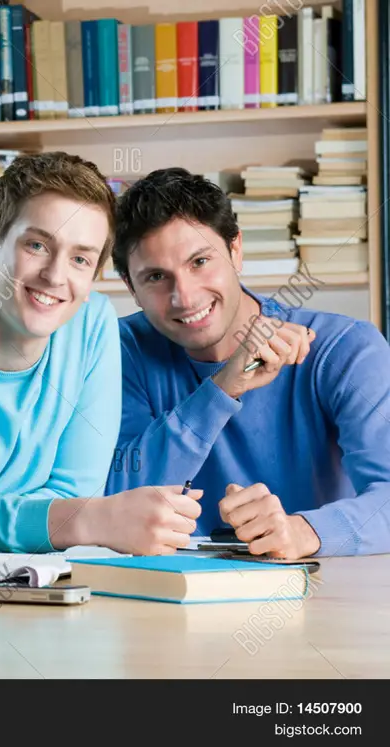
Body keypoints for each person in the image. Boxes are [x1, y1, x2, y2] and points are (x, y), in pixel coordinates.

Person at [0, 152, 203, 555]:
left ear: (92, 277)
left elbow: (75, 491)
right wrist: (88, 520)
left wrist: (68, 518)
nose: (55, 276)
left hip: (45, 577)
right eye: (36, 245)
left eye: (80, 259)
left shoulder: (91, 324)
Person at [106, 167, 390, 559]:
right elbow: (115, 500)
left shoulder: (345, 349)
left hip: (322, 594)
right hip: (164, 598)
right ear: (130, 287)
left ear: (236, 250)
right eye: (156, 276)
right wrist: (223, 388)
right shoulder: (118, 352)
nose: (184, 297)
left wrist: (302, 531)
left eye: (200, 261)